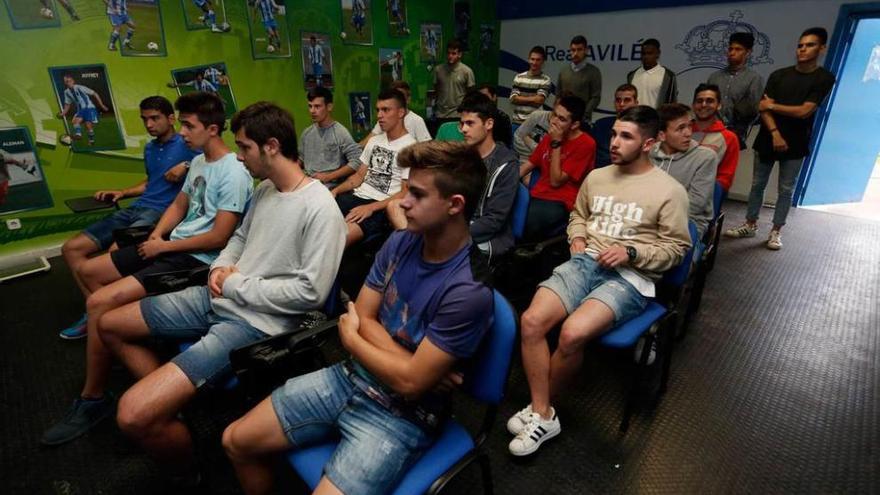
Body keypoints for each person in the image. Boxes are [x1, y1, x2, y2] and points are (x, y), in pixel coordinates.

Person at [222, 140, 494, 495]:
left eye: (416, 194)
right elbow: (363, 314)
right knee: (235, 440)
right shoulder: (402, 241)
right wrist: (412, 366)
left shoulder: (468, 290)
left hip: (403, 416)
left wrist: (353, 341)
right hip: (350, 377)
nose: (401, 202)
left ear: (454, 205)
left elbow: (409, 385)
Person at [96, 102, 346, 487]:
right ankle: (172, 414)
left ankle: (188, 469)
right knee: (108, 322)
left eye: (245, 148)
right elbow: (239, 239)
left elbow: (310, 293)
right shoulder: (265, 190)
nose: (240, 156)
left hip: (254, 324)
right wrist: (217, 269)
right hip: (217, 296)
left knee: (132, 413)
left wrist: (232, 283)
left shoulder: (320, 207)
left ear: (272, 146)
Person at [40, 92, 254, 447]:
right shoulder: (199, 162)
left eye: (189, 125)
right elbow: (182, 203)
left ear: (213, 129)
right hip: (169, 244)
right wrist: (156, 234)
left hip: (193, 259)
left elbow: (219, 236)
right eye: (182, 124)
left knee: (99, 305)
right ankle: (111, 344)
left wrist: (164, 246)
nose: (182, 132)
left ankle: (93, 398)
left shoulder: (234, 171)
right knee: (90, 271)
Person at [508, 105, 691, 456]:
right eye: (614, 134)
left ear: (649, 144)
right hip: (587, 261)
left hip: (630, 277)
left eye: (626, 136)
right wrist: (576, 237)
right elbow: (579, 216)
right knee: (531, 321)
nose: (616, 142)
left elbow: (677, 249)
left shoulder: (669, 191)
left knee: (572, 333)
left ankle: (539, 412)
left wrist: (632, 253)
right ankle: (544, 412)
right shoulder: (598, 177)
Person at [58, 96, 198, 340]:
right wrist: (122, 192)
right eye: (145, 119)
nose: (149, 125)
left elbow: (214, 157)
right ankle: (94, 310)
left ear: (171, 118)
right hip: (136, 208)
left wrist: (186, 164)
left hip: (160, 214)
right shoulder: (150, 148)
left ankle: (104, 317)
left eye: (155, 118)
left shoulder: (188, 143)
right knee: (71, 249)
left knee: (111, 256)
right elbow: (151, 182)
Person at [725, 27, 835, 250]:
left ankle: (776, 231)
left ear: (822, 48)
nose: (803, 49)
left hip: (796, 141)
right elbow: (762, 109)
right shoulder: (779, 75)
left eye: (810, 45)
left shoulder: (824, 78)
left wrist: (773, 105)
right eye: (800, 45)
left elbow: (805, 111)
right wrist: (775, 133)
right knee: (757, 185)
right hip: (768, 137)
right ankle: (750, 224)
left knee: (786, 189)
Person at [389, 92, 519, 259]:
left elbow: (493, 221)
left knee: (422, 247)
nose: (464, 129)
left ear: (489, 124)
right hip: (451, 218)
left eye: (470, 123)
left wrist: (445, 233)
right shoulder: (461, 155)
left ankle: (416, 251)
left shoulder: (506, 164)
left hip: (484, 235)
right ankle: (416, 249)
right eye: (462, 123)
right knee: (395, 207)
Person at [332, 89, 417, 247]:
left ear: (401, 112)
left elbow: (406, 192)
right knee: (314, 224)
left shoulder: (411, 147)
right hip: (357, 196)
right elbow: (358, 177)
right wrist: (336, 191)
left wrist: (371, 208)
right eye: (378, 110)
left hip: (381, 204)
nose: (379, 115)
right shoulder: (374, 141)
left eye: (386, 110)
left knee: (335, 242)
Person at [519, 95, 596, 241]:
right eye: (554, 115)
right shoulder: (550, 137)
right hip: (537, 194)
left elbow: (556, 181)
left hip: (562, 201)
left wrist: (556, 144)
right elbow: (528, 165)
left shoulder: (586, 144)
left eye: (561, 119)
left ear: (574, 125)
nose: (554, 121)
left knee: (528, 224)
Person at [650, 103, 717, 237]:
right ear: (662, 135)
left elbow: (696, 205)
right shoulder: (647, 153)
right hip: (647, 218)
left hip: (688, 223)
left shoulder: (705, 157)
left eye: (689, 126)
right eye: (681, 128)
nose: (688, 133)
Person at [707, 32, 764, 148]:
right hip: (711, 131)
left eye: (738, 49)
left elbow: (756, 111)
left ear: (748, 53)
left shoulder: (753, 78)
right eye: (730, 49)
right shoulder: (714, 77)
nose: (732, 53)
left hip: (736, 133)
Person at [299, 87, 362, 189]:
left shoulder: (340, 133)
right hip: (307, 183)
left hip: (329, 186)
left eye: (317, 106)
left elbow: (357, 161)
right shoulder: (307, 133)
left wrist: (328, 177)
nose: (312, 111)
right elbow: (300, 159)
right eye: (310, 106)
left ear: (329, 107)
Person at [691, 83, 740, 193]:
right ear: (693, 105)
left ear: (719, 105)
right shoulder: (681, 131)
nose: (704, 105)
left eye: (710, 101)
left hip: (707, 195)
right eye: (699, 101)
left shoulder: (729, 138)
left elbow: (725, 177)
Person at [360, 80, 431, 146]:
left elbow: (426, 149)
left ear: (408, 99)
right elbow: (368, 140)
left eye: (400, 97)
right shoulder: (384, 119)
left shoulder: (417, 120)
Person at [591, 84, 640, 168]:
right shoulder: (600, 125)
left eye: (627, 100)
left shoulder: (641, 129)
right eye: (618, 100)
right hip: (600, 172)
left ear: (636, 103)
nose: (621, 104)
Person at [556, 35, 602, 124]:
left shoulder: (594, 72)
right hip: (563, 119)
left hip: (582, 120)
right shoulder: (563, 71)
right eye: (573, 50)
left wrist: (584, 114)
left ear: (586, 50)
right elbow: (558, 95)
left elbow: (595, 97)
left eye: (579, 50)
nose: (576, 53)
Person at [58, 74, 110, 146]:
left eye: (69, 81)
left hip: (89, 108)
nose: (68, 83)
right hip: (81, 110)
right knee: (75, 121)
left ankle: (91, 141)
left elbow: (94, 93)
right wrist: (63, 113)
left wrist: (101, 105)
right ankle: (78, 135)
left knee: (88, 125)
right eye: (66, 82)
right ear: (65, 83)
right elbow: (67, 104)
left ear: (73, 81)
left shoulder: (80, 87)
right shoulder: (66, 92)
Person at [432, 39, 476, 125]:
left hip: (458, 114)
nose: (450, 56)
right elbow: (436, 89)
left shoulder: (466, 71)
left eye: (453, 53)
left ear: (459, 54)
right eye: (448, 53)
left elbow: (471, 94)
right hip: (441, 114)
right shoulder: (438, 70)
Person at [627, 38, 677, 109]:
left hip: (656, 119)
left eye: (650, 53)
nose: (646, 57)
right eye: (643, 54)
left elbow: (672, 104)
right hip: (635, 118)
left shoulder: (668, 76)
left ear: (658, 53)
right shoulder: (632, 75)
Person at [510, 46, 553, 124]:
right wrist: (533, 98)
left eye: (538, 60)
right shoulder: (519, 77)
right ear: (528, 59)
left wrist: (520, 99)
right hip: (516, 122)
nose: (534, 62)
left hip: (534, 124)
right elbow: (513, 99)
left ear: (543, 61)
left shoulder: (545, 80)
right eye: (532, 59)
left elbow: (539, 100)